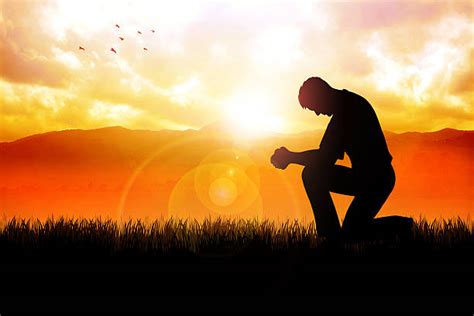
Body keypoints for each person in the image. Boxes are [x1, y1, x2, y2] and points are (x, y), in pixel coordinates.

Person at [270, 77, 413, 241]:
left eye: (314, 107)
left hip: (377, 181)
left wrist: (291, 157)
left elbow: (324, 158)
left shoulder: (347, 112)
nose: (317, 113)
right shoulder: (346, 106)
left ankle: (397, 226)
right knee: (313, 176)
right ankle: (333, 236)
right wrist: (291, 157)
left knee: (312, 175)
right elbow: (325, 157)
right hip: (366, 177)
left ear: (321, 95)